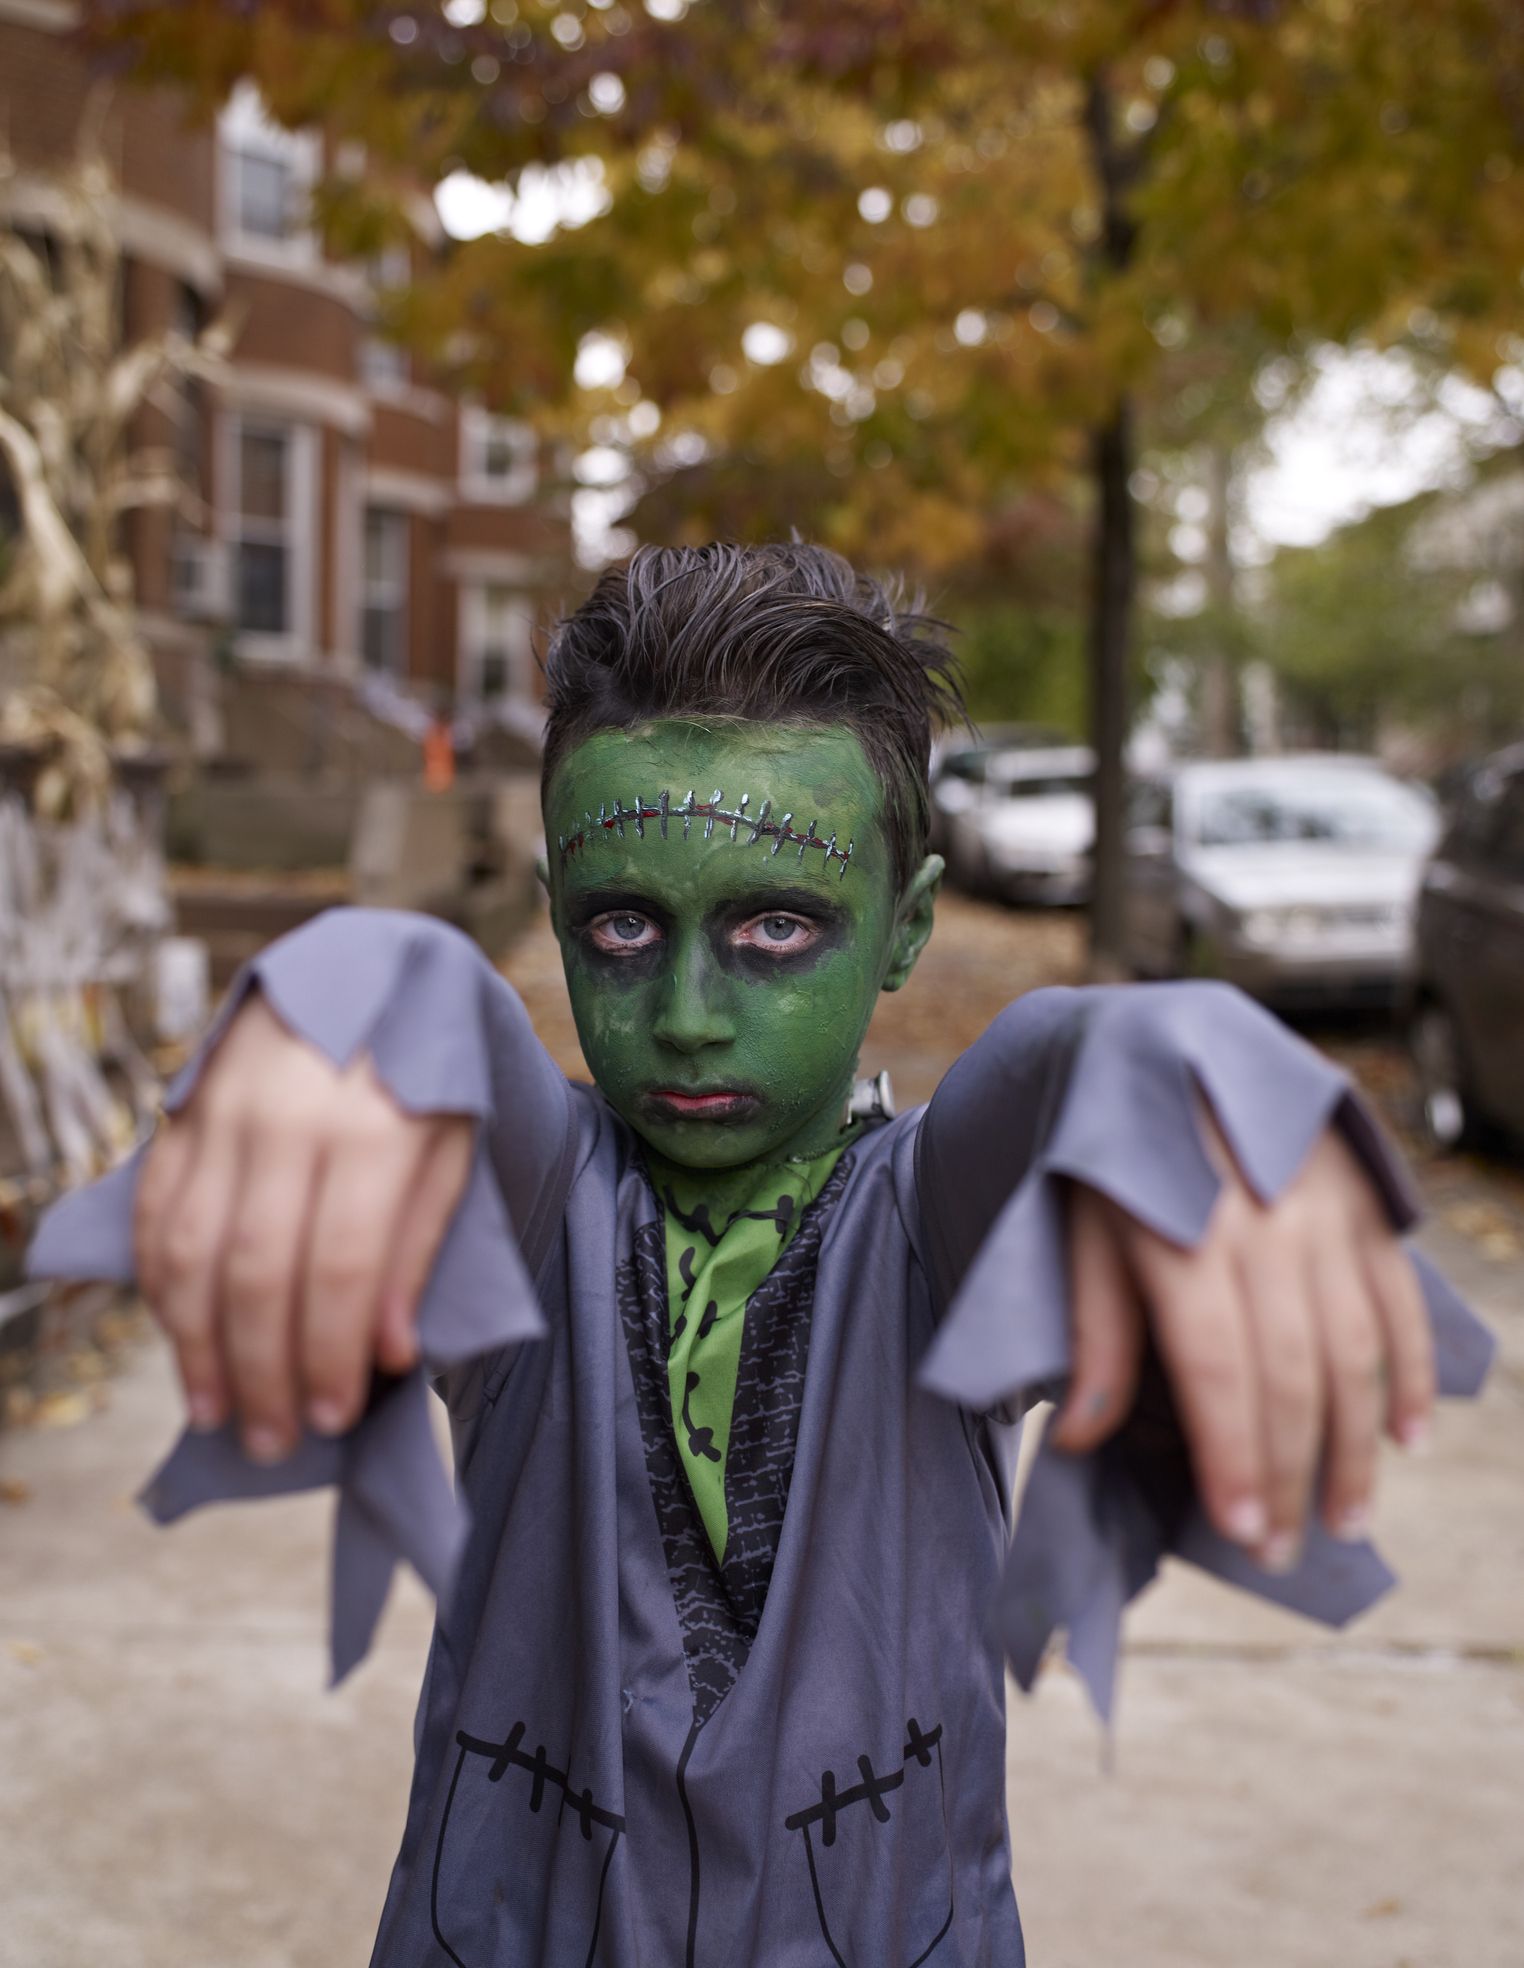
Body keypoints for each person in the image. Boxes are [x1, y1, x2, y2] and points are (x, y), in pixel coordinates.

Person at [32, 543, 1490, 1967]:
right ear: (557, 920)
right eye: (622, 925)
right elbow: (446, 1028)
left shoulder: (939, 1231)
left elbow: (1051, 1078)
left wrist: (1185, 1064)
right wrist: (354, 985)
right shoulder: (529, 1210)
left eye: (777, 926)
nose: (685, 1012)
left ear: (906, 927)